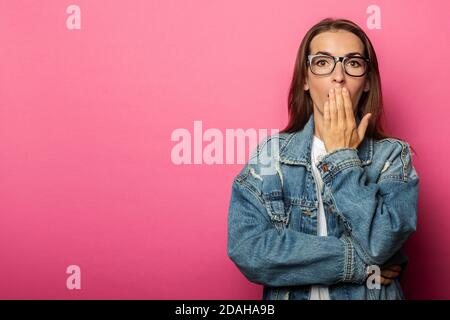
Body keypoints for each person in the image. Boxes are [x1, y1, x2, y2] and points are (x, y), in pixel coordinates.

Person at [227, 18, 419, 300]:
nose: (338, 76)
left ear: (367, 82)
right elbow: (249, 250)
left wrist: (343, 156)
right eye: (322, 62)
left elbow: (381, 242)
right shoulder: (272, 154)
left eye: (352, 63)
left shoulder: (392, 155)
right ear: (305, 79)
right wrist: (357, 262)